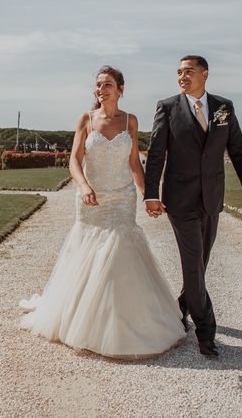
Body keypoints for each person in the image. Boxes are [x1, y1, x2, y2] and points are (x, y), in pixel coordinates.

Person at [19, 66, 185, 359]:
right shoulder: (86, 119)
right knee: (90, 255)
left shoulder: (130, 121)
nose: (101, 89)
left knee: (121, 252)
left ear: (121, 89)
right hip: (91, 199)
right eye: (98, 85)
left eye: (108, 84)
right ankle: (84, 321)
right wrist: (82, 186)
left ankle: (125, 322)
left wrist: (150, 195)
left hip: (122, 197)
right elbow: (74, 160)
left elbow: (135, 163)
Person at [144, 55, 242, 357]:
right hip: (180, 200)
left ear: (205, 74)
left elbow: (238, 151)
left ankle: (180, 307)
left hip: (211, 198)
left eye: (189, 71)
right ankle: (206, 332)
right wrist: (151, 193)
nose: (182, 76)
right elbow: (156, 153)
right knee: (193, 262)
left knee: (199, 266)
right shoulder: (168, 107)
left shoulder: (223, 108)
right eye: (179, 72)